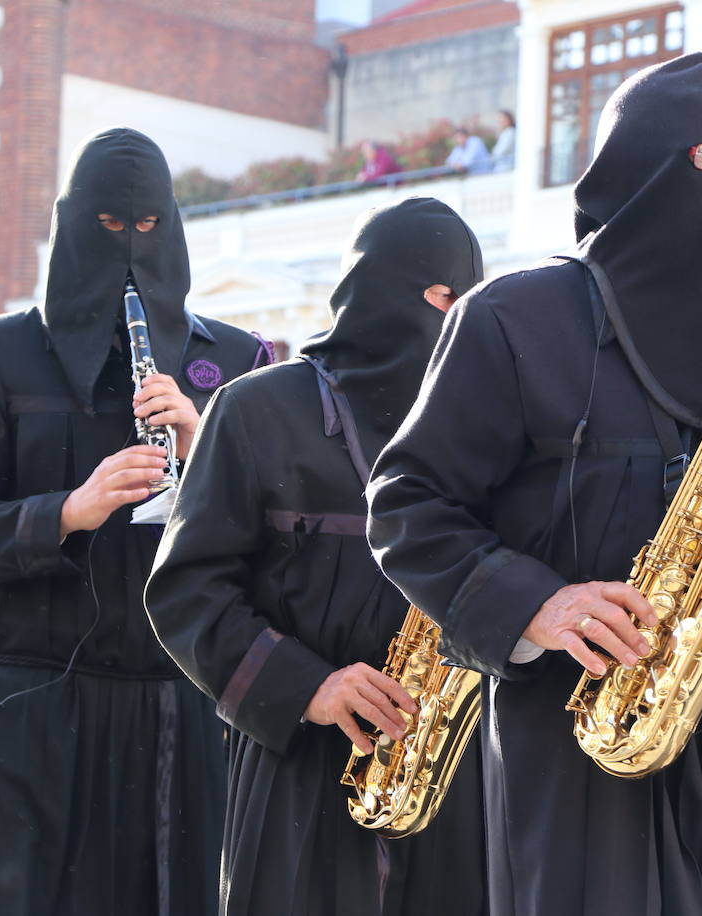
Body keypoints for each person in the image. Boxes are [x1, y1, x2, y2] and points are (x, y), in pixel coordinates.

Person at [366, 53, 702, 916]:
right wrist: (536, 607)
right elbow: (407, 505)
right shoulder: (513, 316)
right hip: (582, 733)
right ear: (639, 163)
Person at [0, 127, 269, 916]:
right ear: (73, 224)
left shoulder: (238, 363)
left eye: (148, 230)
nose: (130, 250)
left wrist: (205, 447)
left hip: (181, 711)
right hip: (30, 708)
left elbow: (283, 545)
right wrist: (68, 512)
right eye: (109, 228)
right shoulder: (0, 354)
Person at [146, 197, 488, 916]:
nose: (454, 321)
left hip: (452, 770)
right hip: (298, 766)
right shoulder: (256, 408)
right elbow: (186, 592)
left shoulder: (479, 418)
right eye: (439, 298)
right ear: (379, 289)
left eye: (468, 303)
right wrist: (311, 687)